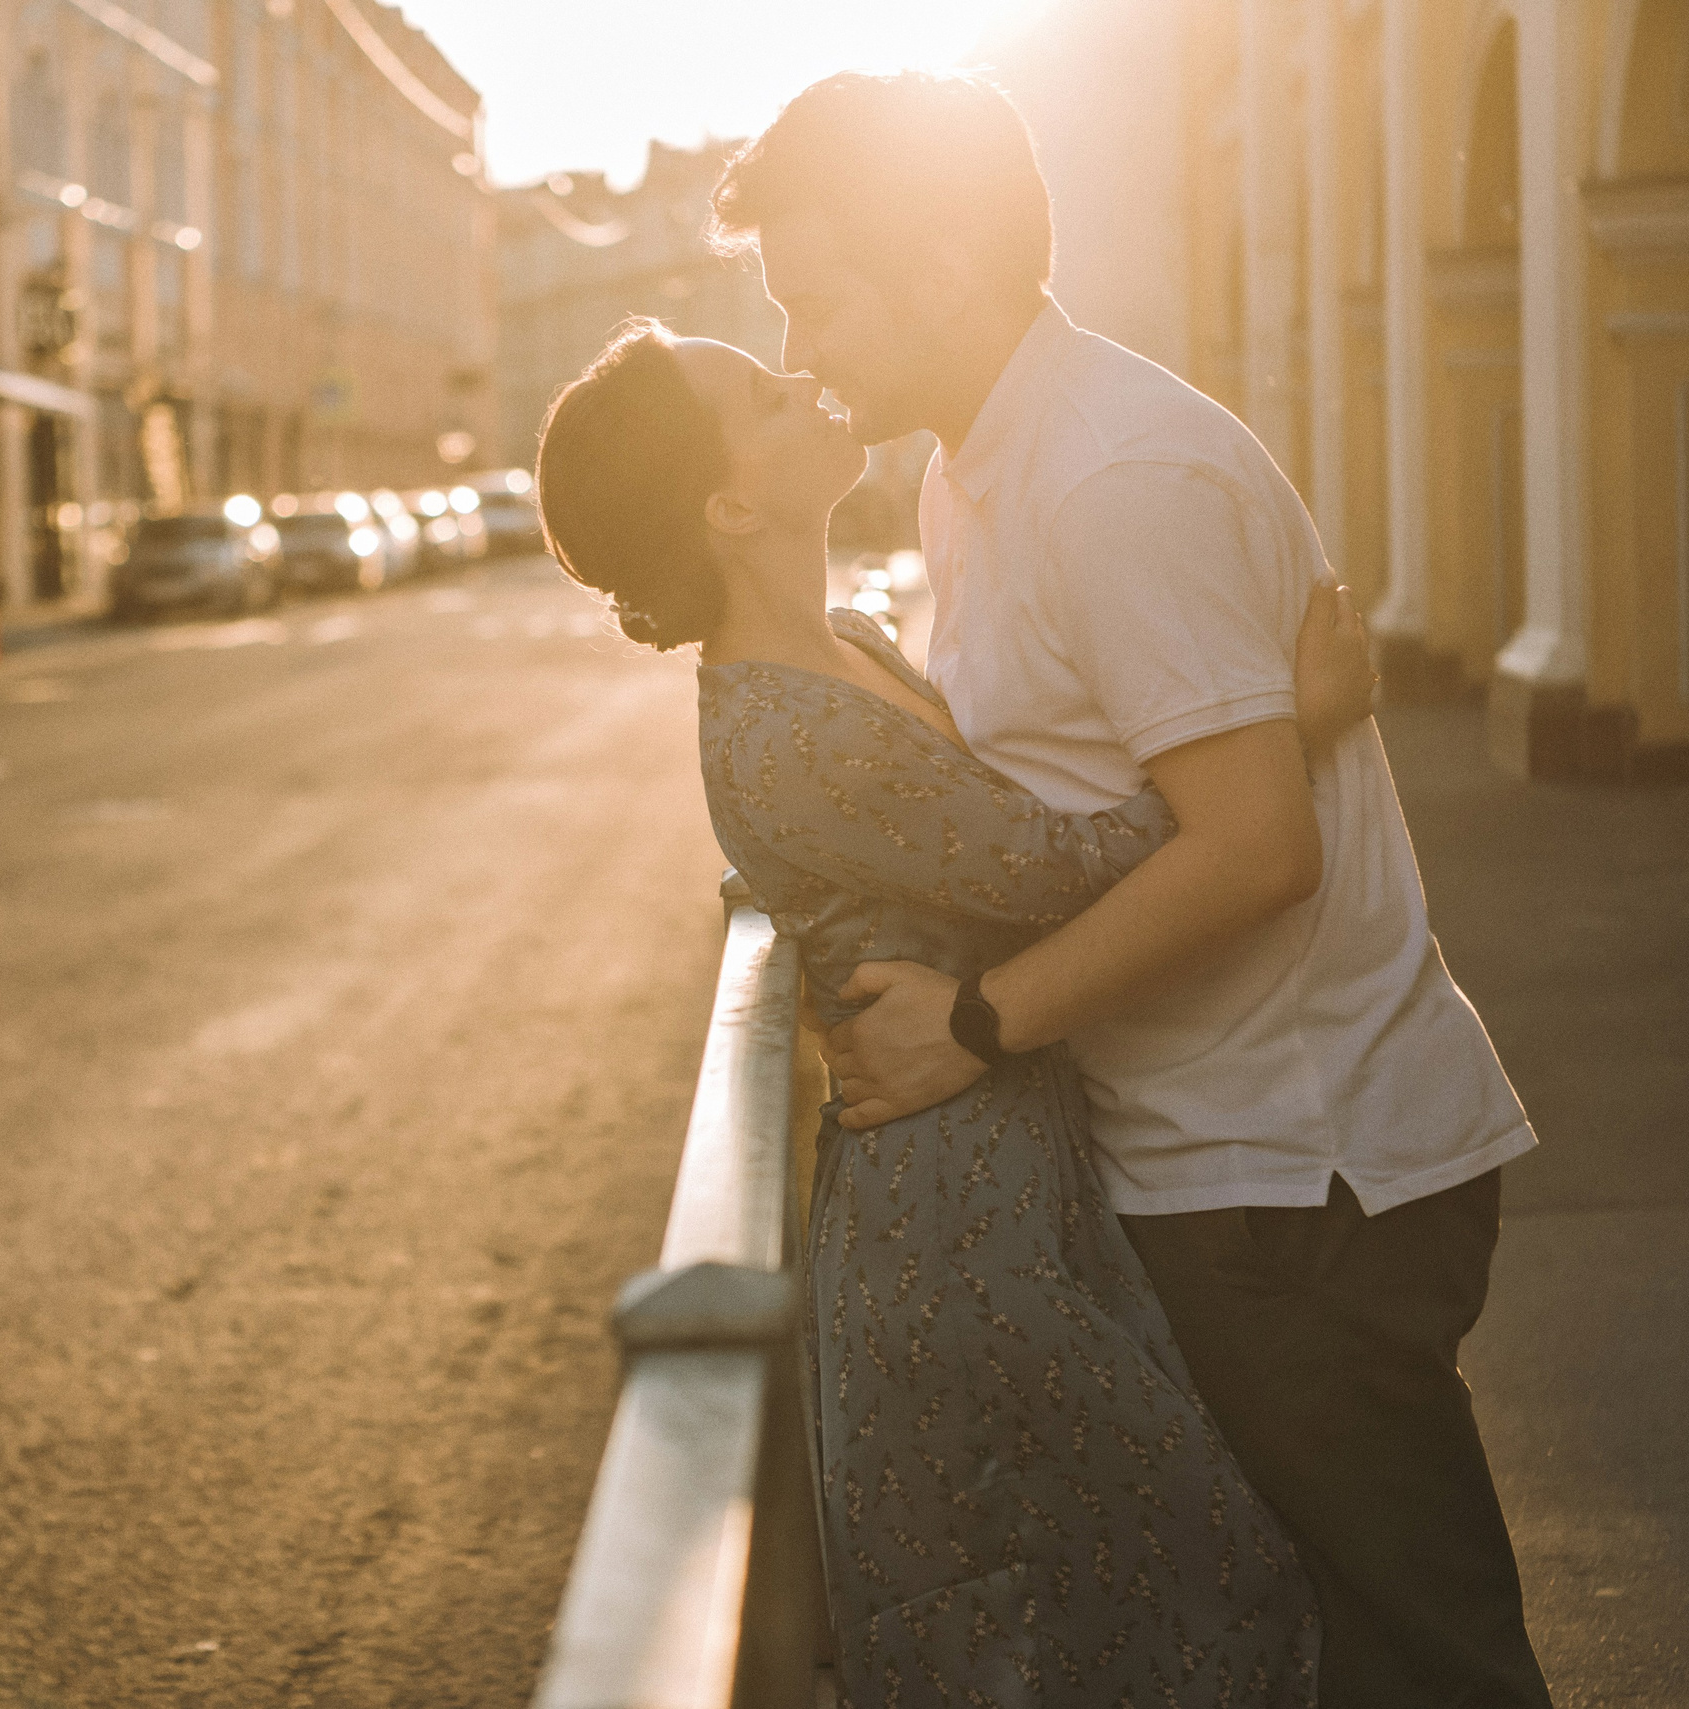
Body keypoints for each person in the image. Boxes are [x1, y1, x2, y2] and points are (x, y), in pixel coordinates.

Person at [707, 71, 1549, 1709]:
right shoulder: (974, 469)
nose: (803, 350)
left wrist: (972, 1023)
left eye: (818, 299)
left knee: (1420, 1663)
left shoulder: (1111, 476)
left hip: (1301, 1178)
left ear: (948, 263)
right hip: (1216, 1168)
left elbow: (1254, 847)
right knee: (1316, 1656)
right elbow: (1076, 796)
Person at [539, 316, 1384, 1703]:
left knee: (1156, 1603)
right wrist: (1286, 723)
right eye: (760, 393)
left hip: (1011, 1175)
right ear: (731, 502)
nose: (803, 374)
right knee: (1184, 1588)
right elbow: (1046, 874)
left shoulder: (847, 640)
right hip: (959, 1247)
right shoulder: (777, 727)